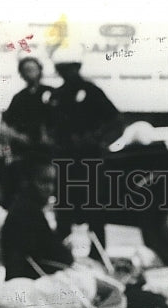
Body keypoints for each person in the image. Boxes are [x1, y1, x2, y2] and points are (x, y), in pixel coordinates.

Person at [50, 50, 123, 255]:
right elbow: (49, 127)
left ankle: (98, 255)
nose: (67, 73)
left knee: (95, 210)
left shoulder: (92, 92)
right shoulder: (57, 96)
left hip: (90, 161)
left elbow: (116, 121)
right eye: (62, 69)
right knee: (64, 212)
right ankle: (61, 256)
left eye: (70, 68)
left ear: (78, 68)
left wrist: (98, 139)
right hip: (65, 162)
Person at [0, 158, 74, 279]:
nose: (50, 188)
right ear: (26, 182)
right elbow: (60, 256)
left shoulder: (24, 208)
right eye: (44, 182)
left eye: (52, 182)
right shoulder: (27, 212)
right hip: (27, 284)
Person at [0, 56, 55, 206]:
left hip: (49, 152)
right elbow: (6, 125)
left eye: (33, 69)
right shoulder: (19, 98)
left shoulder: (51, 93)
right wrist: (18, 137)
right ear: (21, 74)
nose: (30, 73)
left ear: (40, 71)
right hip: (24, 152)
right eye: (26, 70)